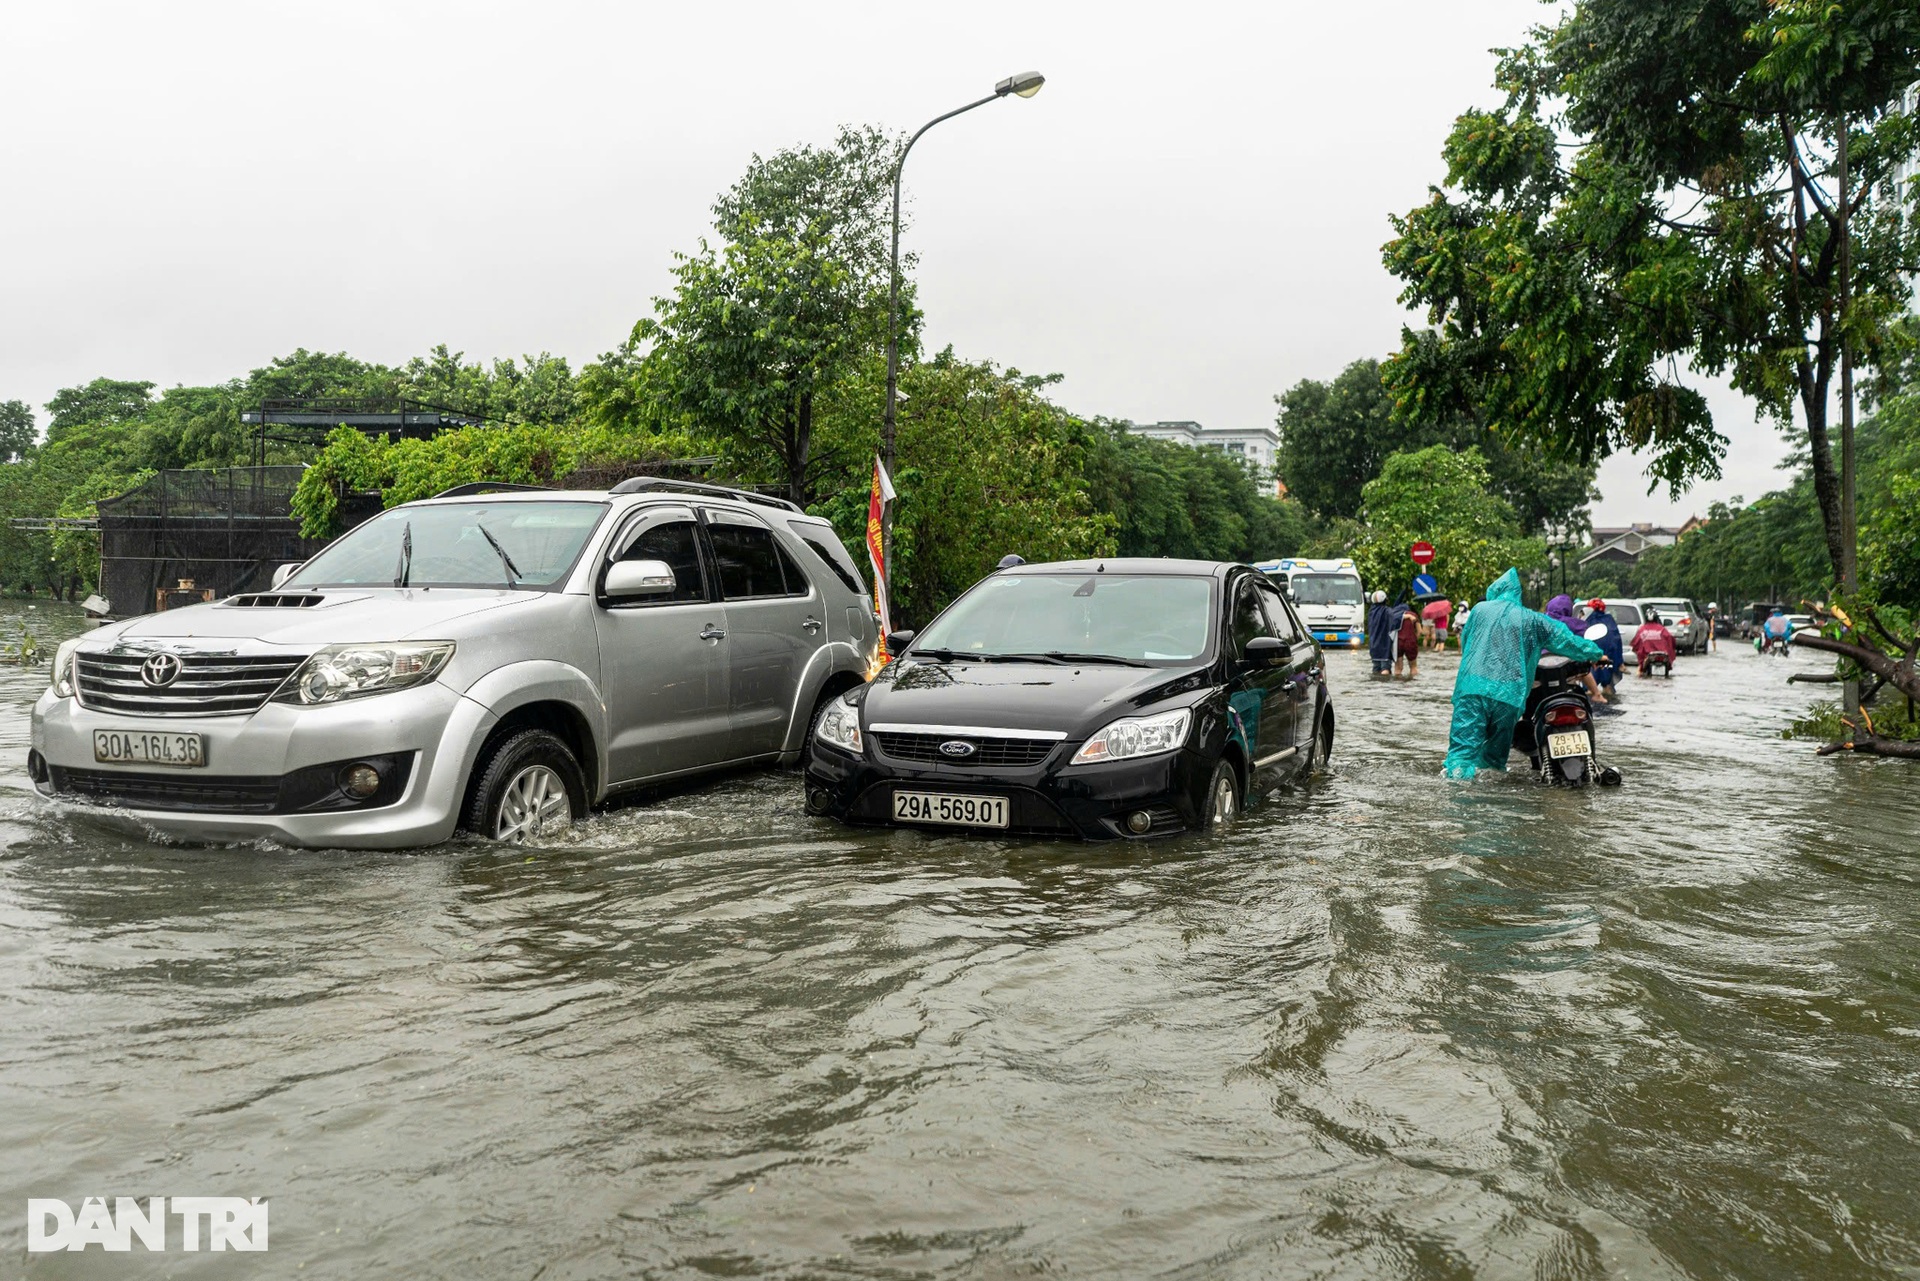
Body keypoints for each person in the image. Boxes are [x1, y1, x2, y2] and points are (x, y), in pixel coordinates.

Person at [1444, 569, 1605, 779]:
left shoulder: (1479, 610)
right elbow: (1566, 640)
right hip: (1508, 697)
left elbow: (1468, 645)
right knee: (1494, 761)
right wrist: (1596, 653)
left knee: (1462, 752)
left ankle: (1457, 784)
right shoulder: (1533, 620)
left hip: (1472, 689)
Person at [1546, 593, 1611, 706]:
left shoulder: (1540, 622)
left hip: (1539, 674)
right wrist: (1598, 656)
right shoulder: (1573, 625)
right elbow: (1582, 644)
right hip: (1566, 670)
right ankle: (1597, 695)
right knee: (1583, 670)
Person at [1582, 598, 1624, 698]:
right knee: (1608, 687)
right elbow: (1617, 642)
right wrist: (1619, 662)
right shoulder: (1610, 621)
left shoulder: (1586, 622)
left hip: (1591, 660)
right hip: (1607, 659)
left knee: (1589, 689)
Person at [1633, 609, 1678, 677]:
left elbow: (1636, 643)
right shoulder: (1662, 629)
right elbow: (1671, 639)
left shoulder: (1642, 630)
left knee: (1639, 673)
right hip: (1663, 655)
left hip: (1648, 656)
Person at [1366, 590, 1394, 677]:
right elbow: (1394, 623)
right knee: (1385, 669)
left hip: (1373, 647)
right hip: (1385, 646)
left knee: (1376, 668)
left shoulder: (1371, 612)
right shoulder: (1387, 611)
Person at [1396, 603, 1420, 678]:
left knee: (1398, 668)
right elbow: (1420, 631)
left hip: (1398, 642)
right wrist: (1415, 639)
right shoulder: (1414, 615)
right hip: (1410, 642)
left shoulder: (1396, 615)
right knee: (1413, 667)